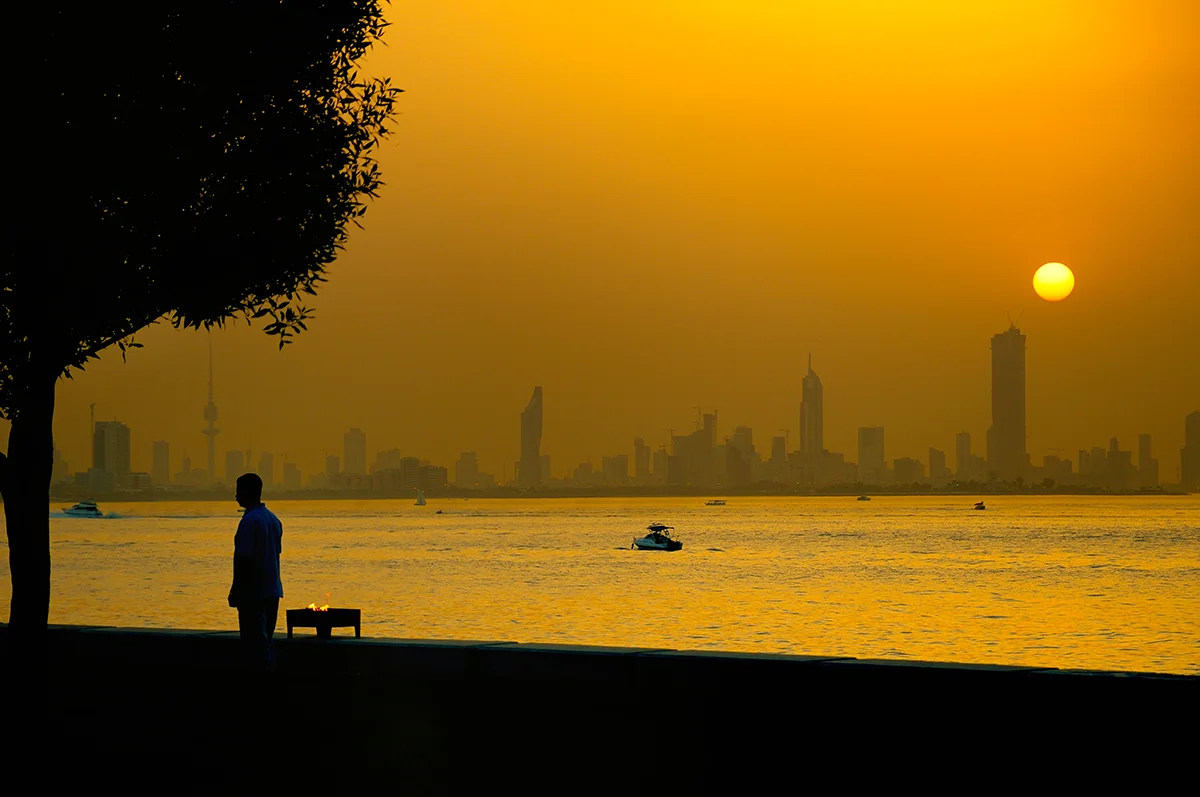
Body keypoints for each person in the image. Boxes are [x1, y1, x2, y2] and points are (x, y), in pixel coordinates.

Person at [228, 472, 284, 671]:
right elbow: (275, 554)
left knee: (253, 645)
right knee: (266, 641)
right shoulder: (273, 520)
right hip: (272, 590)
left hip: (253, 593)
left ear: (248, 492)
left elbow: (244, 559)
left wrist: (236, 589)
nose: (235, 495)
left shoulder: (249, 522)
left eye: (238, 490)